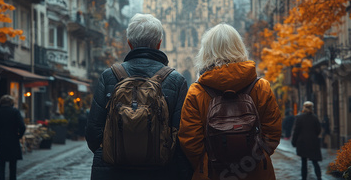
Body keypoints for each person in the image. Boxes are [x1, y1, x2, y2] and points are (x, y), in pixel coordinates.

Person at [86, 13, 192, 180]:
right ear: (159, 44)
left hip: (114, 173)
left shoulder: (109, 76)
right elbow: (181, 136)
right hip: (161, 173)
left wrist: (116, 153)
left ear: (129, 43)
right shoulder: (176, 81)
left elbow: (93, 133)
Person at [179, 23, 282, 180]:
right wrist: (251, 162)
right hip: (256, 172)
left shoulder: (196, 92)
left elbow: (190, 141)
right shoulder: (262, 87)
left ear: (206, 52)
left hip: (213, 174)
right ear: (239, 48)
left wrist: (210, 165)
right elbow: (272, 134)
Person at [0, 95, 26, 180]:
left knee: (1, 166)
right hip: (13, 140)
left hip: (1, 141)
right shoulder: (15, 112)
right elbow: (22, 127)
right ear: (11, 103)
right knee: (13, 167)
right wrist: (18, 136)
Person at [291, 101, 323, 180]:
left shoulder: (299, 117)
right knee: (315, 161)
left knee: (303, 162)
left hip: (302, 143)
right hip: (313, 142)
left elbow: (296, 131)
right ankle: (319, 177)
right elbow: (318, 130)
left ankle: (304, 178)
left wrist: (294, 142)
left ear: (304, 108)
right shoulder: (315, 118)